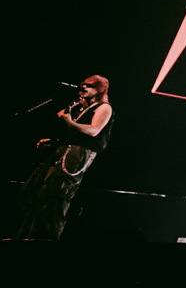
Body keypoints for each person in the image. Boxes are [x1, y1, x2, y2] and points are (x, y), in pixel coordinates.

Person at [12, 75, 114, 240]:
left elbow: (93, 131)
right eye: (82, 85)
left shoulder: (104, 107)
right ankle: (23, 236)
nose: (83, 88)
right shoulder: (81, 107)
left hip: (78, 153)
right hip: (63, 149)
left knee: (55, 195)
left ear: (100, 89)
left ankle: (45, 238)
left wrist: (69, 121)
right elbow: (74, 134)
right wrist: (54, 141)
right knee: (34, 192)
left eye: (89, 85)